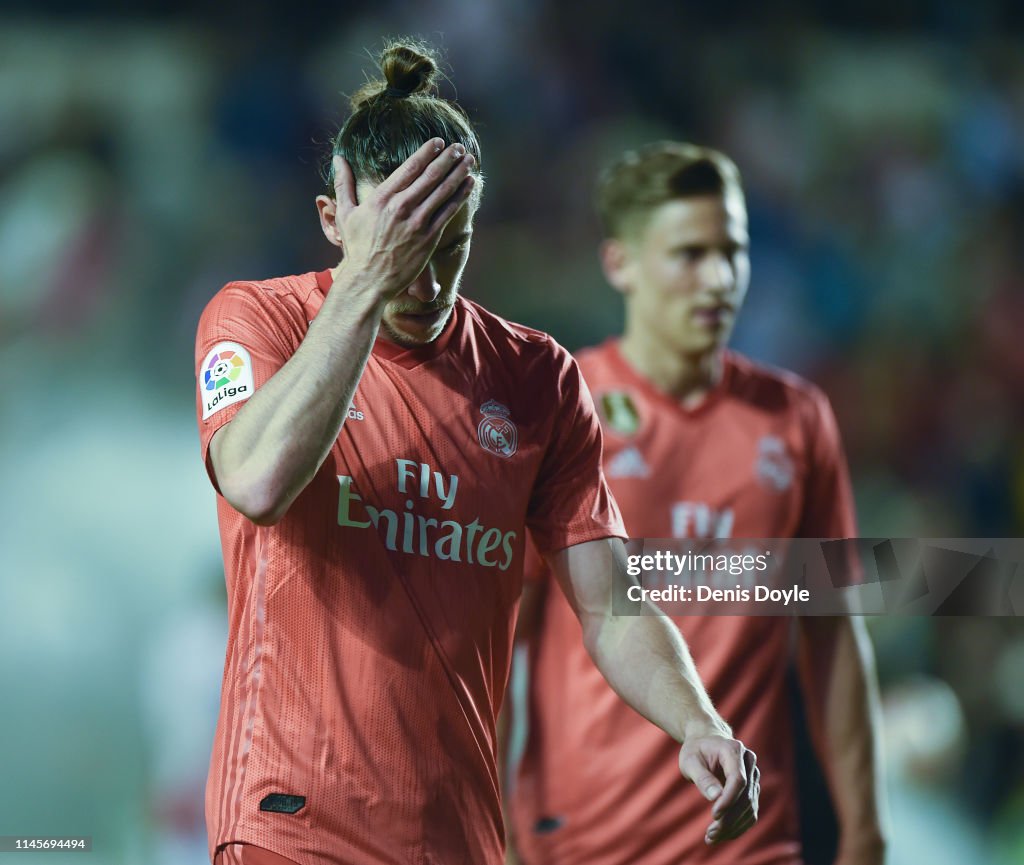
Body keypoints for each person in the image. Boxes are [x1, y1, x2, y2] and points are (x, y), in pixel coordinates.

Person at [194, 42, 758, 865]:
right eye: (405, 248)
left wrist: (698, 719)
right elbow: (255, 478)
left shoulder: (536, 378)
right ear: (333, 221)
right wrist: (364, 278)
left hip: (457, 839)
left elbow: (608, 605)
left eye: (450, 244)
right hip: (292, 823)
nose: (426, 285)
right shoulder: (257, 322)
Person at [507, 142, 888, 865]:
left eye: (733, 251)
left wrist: (866, 833)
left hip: (750, 841)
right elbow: (501, 640)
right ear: (619, 263)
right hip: (583, 842)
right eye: (689, 253)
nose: (718, 279)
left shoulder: (795, 419)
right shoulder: (562, 408)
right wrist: (493, 832)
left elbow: (835, 639)